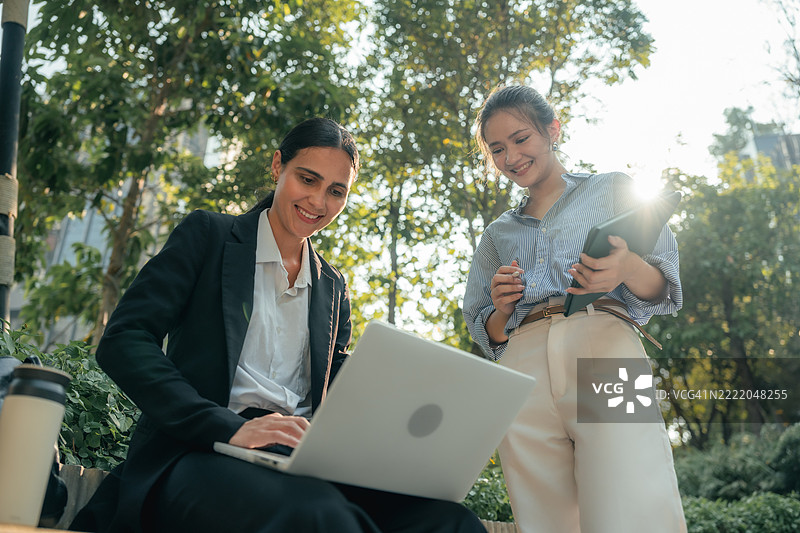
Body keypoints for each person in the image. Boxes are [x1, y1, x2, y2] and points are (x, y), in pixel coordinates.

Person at [71, 117, 485, 533]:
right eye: (308, 179)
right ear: (277, 167)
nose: (319, 202)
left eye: (336, 191)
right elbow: (124, 338)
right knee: (317, 514)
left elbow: (341, 392)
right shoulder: (209, 236)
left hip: (300, 460)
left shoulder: (333, 288)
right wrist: (230, 427)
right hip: (201, 451)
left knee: (451, 522)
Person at [462, 86, 687, 533]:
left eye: (521, 139)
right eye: (498, 149)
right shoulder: (496, 234)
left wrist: (624, 266)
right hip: (523, 365)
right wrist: (503, 309)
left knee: (635, 496)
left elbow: (664, 281)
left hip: (603, 343)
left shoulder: (612, 189)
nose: (511, 157)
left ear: (552, 130)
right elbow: (482, 324)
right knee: (544, 515)